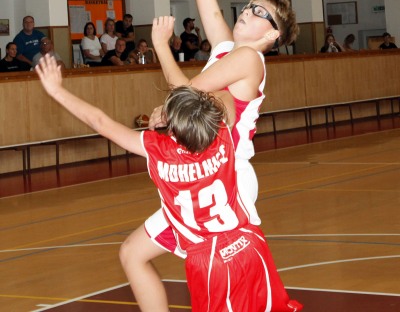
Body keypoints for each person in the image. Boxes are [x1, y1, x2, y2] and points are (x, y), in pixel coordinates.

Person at [120, 0, 299, 311]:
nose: (248, 12)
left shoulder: (250, 59)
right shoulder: (227, 49)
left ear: (273, 34)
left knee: (230, 290)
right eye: (249, 6)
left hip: (227, 177)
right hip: (202, 172)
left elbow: (186, 92)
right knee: (133, 254)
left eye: (260, 13)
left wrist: (161, 46)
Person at [35, 54, 302, 312]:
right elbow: (225, 97)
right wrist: (177, 109)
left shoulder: (158, 150)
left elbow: (100, 121)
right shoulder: (223, 134)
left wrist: (56, 91)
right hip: (250, 243)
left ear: (172, 127)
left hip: (210, 260)